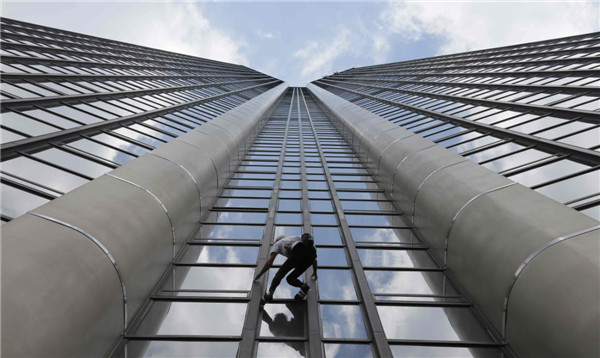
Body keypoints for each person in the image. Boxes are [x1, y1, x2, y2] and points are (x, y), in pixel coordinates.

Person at [254, 233, 318, 303]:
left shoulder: (278, 244)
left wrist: (259, 275)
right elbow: (314, 260)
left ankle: (269, 294)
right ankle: (304, 288)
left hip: (299, 251)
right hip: (311, 256)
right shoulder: (295, 237)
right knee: (290, 279)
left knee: (279, 274)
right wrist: (315, 272)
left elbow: (269, 263)